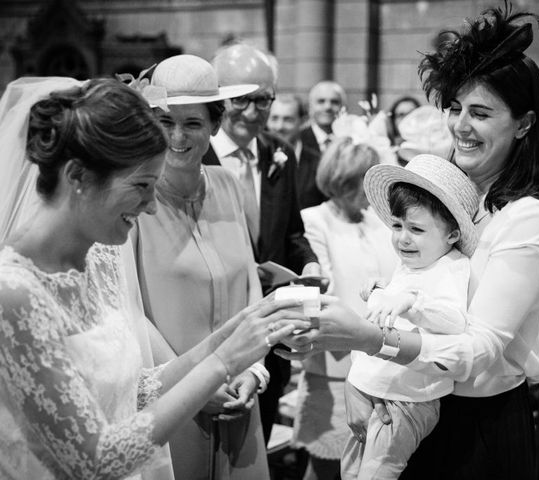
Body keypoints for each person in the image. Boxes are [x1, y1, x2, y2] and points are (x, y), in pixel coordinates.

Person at [278, 3, 539, 479]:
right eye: (455, 108)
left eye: (480, 112)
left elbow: (479, 352)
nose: (460, 126)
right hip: (415, 406)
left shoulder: (530, 219)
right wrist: (360, 374)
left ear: (524, 123)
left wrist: (372, 340)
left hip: (479, 426)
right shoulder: (445, 197)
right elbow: (400, 287)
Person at [0, 76, 309, 480]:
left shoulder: (103, 262)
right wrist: (220, 363)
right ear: (77, 177)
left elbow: (137, 389)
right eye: (142, 186)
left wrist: (241, 330)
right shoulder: (15, 294)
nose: (150, 207)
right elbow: (94, 459)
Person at [129, 54, 270, 480]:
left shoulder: (229, 185)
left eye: (192, 123)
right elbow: (131, 313)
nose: (177, 136)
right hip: (171, 405)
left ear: (214, 126)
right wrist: (196, 384)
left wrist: (252, 370)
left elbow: (251, 284)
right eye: (165, 121)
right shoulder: (132, 200)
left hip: (239, 396)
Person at [202, 43, 320, 443]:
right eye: (241, 100)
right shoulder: (193, 156)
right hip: (211, 325)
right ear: (216, 98)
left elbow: (291, 231)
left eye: (264, 100)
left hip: (271, 326)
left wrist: (309, 265)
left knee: (258, 442)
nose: (253, 113)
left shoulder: (279, 153)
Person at [342, 154, 478, 480]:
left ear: (453, 234)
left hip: (406, 400)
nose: (403, 237)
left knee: (378, 473)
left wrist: (409, 302)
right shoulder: (413, 261)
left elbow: (453, 320)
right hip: (374, 386)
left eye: (416, 228)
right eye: (397, 225)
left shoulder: (452, 266)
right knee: (349, 472)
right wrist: (384, 290)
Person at [294, 137, 397, 480]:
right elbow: (321, 293)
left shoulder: (378, 223)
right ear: (341, 182)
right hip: (334, 367)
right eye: (360, 183)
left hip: (384, 362)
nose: (368, 193)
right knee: (331, 467)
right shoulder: (313, 220)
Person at [267, 94, 327, 208]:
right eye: (274, 118)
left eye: (288, 120)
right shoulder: (256, 157)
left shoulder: (319, 164)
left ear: (303, 122)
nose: (279, 126)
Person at [299, 81, 347, 155]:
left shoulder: (351, 140)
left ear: (344, 108)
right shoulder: (299, 140)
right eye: (321, 101)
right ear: (310, 107)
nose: (328, 107)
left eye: (334, 102)